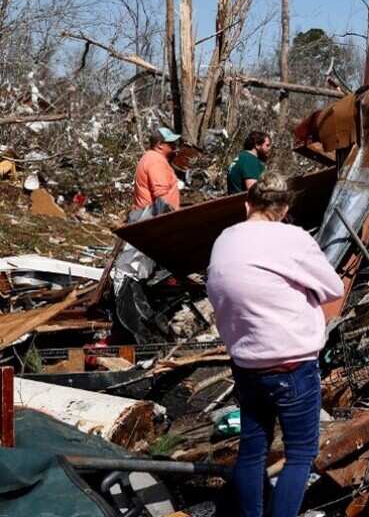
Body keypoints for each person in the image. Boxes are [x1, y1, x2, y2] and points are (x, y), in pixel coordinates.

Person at [207, 173, 343, 517]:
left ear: (247, 204)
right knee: (300, 453)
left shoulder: (225, 238)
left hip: (247, 363)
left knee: (252, 449)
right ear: (284, 209)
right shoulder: (292, 238)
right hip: (291, 364)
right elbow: (332, 287)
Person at [130, 127, 182, 223]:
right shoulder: (156, 161)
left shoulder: (150, 157)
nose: (174, 145)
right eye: (170, 143)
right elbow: (161, 196)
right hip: (152, 220)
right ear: (160, 145)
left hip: (146, 216)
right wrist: (170, 222)